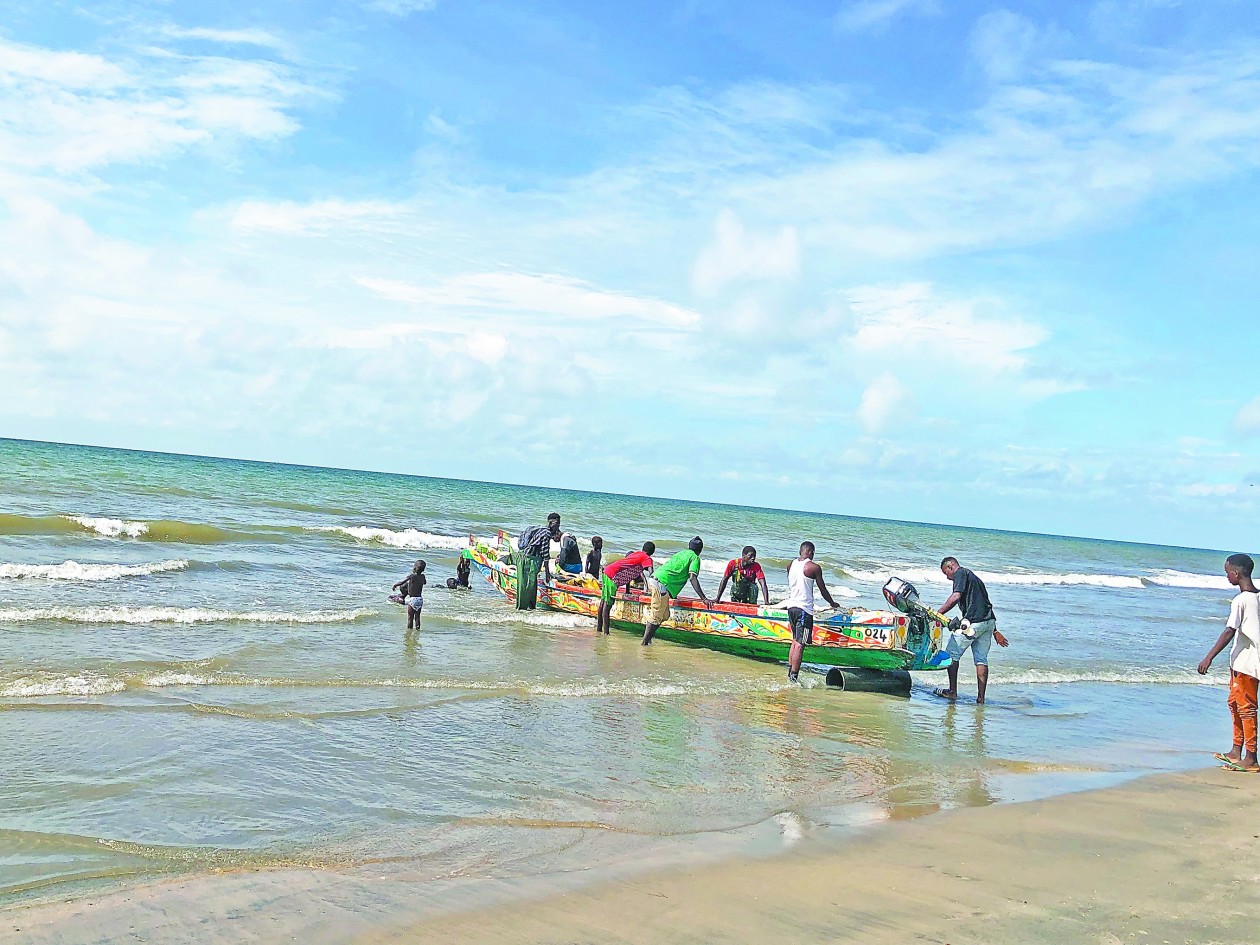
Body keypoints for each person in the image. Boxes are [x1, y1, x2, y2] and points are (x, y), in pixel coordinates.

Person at [1198, 553, 1260, 772]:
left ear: (1236, 573)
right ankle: (1236, 751)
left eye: (1227, 572)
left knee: (1246, 709)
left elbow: (1229, 631)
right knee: (1234, 704)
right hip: (1241, 664)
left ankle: (1251, 758)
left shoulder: (1241, 600)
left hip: (1247, 666)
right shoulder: (1257, 597)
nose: (1226, 576)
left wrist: (1209, 657)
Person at [935, 557, 1009, 704]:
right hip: (988, 622)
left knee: (951, 654)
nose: (948, 578)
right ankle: (981, 698)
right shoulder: (975, 579)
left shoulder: (960, 573)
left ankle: (952, 691)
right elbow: (986, 604)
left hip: (973, 623)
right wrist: (994, 631)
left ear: (950, 567)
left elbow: (956, 596)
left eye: (946, 573)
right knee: (981, 660)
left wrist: (938, 614)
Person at [782, 541, 842, 683]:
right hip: (804, 609)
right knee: (800, 644)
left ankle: (790, 674)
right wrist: (833, 604)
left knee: (795, 641)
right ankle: (793, 678)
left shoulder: (790, 565)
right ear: (811, 552)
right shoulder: (813, 567)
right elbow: (823, 589)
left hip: (791, 607)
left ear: (800, 551)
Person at [642, 537, 712, 645]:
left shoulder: (681, 553)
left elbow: (673, 569)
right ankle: (644, 643)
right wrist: (704, 599)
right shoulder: (695, 558)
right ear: (700, 550)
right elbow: (692, 578)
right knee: (656, 617)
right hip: (661, 584)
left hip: (654, 579)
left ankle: (649, 639)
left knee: (664, 615)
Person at [597, 541, 656, 635]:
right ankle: (606, 633)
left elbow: (627, 571)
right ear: (652, 552)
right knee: (607, 605)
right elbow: (652, 573)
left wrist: (628, 591)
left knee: (603, 602)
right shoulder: (647, 558)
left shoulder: (636, 554)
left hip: (608, 571)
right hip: (613, 576)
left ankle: (599, 629)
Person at [515, 513, 561, 609]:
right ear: (550, 523)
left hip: (525, 558)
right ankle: (522, 609)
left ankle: (530, 608)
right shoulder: (546, 533)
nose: (558, 527)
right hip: (530, 561)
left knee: (529, 585)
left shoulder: (542, 529)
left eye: (559, 524)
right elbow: (545, 554)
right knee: (527, 586)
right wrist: (547, 573)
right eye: (556, 524)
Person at [391, 559, 427, 630]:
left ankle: (409, 632)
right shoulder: (423, 576)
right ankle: (417, 630)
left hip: (412, 600)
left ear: (414, 567)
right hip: (420, 599)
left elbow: (402, 582)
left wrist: (395, 585)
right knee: (417, 618)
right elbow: (425, 582)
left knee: (410, 618)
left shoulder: (412, 576)